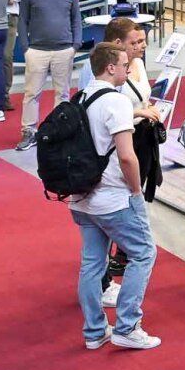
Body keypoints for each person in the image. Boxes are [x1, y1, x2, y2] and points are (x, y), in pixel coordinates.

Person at [67, 41, 161, 351]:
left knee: (92, 263)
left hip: (80, 197)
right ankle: (127, 326)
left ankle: (95, 331)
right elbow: (126, 157)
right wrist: (135, 191)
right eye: (124, 64)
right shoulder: (116, 102)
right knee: (144, 253)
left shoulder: (80, 96)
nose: (129, 67)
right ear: (111, 67)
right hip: (112, 197)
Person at [17, 0, 84, 151]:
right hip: (36, 50)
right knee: (31, 93)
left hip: (64, 49)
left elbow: (76, 19)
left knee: (62, 94)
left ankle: (58, 132)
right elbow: (22, 20)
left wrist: (75, 45)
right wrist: (25, 48)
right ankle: (29, 132)